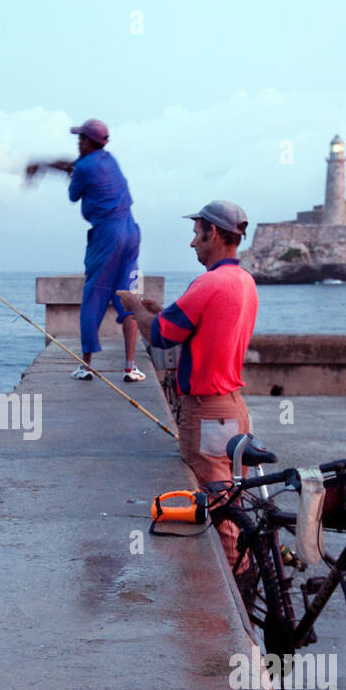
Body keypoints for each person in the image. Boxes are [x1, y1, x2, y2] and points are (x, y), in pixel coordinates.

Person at [119, 201, 258, 566]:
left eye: (197, 234)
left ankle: (235, 602)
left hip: (208, 411)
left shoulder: (209, 282)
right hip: (234, 409)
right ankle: (247, 580)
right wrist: (155, 309)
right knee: (235, 505)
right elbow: (196, 325)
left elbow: (162, 336)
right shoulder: (244, 281)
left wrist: (134, 307)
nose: (192, 243)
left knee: (220, 509)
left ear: (213, 233)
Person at [26, 119, 145, 383]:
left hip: (107, 235)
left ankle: (87, 367)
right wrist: (50, 165)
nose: (78, 142)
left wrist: (48, 168)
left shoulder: (84, 167)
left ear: (90, 142)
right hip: (131, 232)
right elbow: (74, 165)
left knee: (94, 297)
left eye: (81, 139)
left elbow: (73, 193)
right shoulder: (109, 160)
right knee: (129, 298)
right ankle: (130, 367)